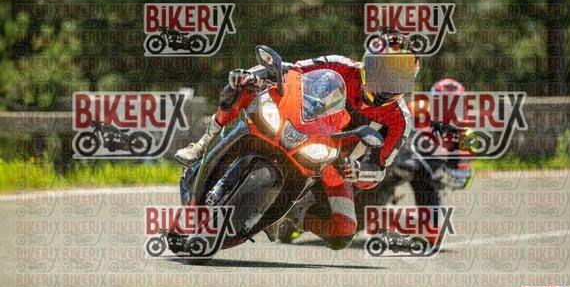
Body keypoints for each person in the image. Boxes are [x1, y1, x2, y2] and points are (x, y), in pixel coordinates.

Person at [175, 39, 420, 250]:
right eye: (382, 71)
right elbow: (290, 70)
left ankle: (293, 216)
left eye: (397, 77)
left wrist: (355, 171)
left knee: (343, 231)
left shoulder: (401, 120)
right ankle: (203, 144)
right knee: (240, 87)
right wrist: (252, 76)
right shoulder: (341, 65)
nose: (387, 81)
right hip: (297, 127)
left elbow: (379, 170)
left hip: (335, 165)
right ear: (368, 64)